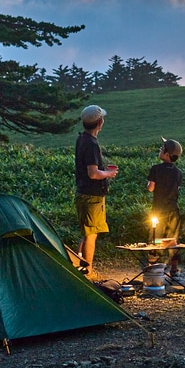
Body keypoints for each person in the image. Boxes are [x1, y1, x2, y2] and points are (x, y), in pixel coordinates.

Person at [74, 104, 118, 278]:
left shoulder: (81, 139)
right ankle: (88, 271)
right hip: (92, 196)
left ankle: (79, 266)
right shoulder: (91, 143)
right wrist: (109, 173)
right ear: (100, 122)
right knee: (91, 234)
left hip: (83, 192)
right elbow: (93, 173)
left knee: (86, 232)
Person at [146, 138, 183, 278]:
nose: (159, 150)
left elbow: (151, 188)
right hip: (173, 210)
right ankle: (174, 269)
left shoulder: (156, 169)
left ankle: (152, 267)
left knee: (155, 237)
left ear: (167, 154)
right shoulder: (178, 172)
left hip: (158, 210)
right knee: (173, 239)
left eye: (162, 149)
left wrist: (148, 184)